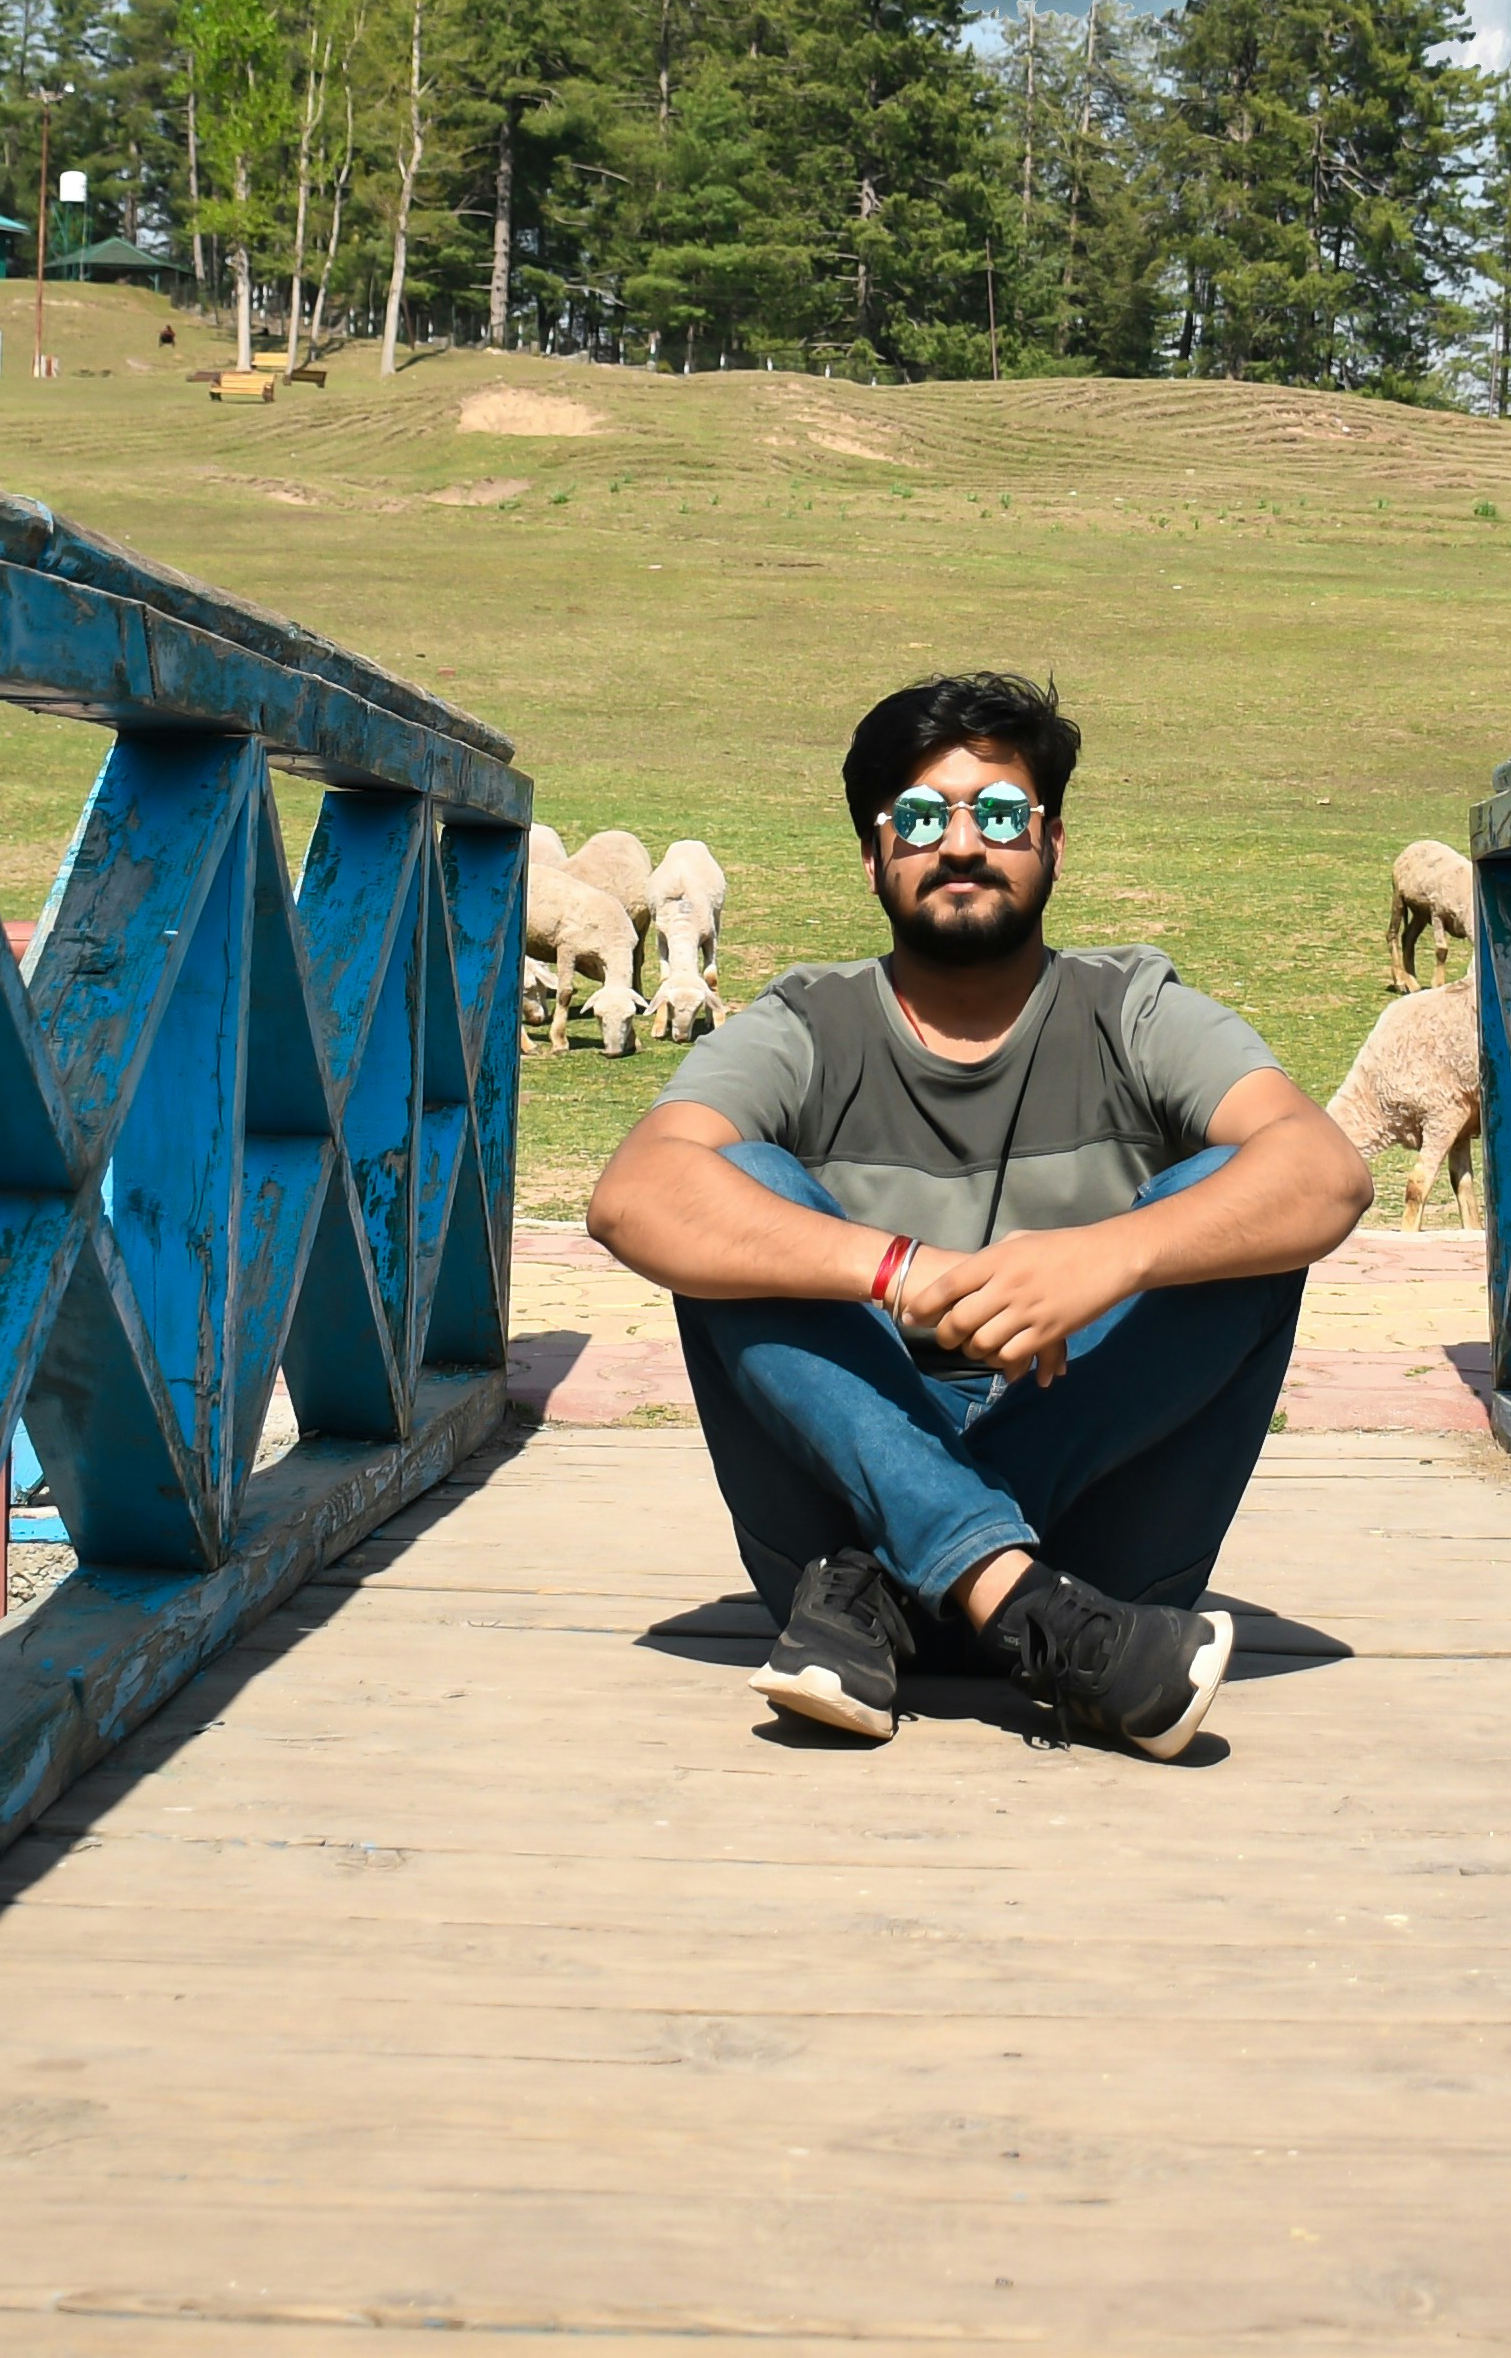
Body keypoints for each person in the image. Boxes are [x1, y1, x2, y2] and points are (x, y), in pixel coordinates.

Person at [584, 670, 1369, 1758]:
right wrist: (899, 1269)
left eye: (1000, 813)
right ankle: (1023, 1602)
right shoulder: (807, 1024)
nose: (960, 844)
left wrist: (1110, 1256)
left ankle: (914, 1579)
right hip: (1044, 1608)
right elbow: (633, 1194)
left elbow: (1326, 1172)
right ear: (873, 857)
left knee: (1235, 1197)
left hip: (1025, 1564)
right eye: (918, 818)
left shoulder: (1134, 1010)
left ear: (1053, 844)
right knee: (733, 1186)